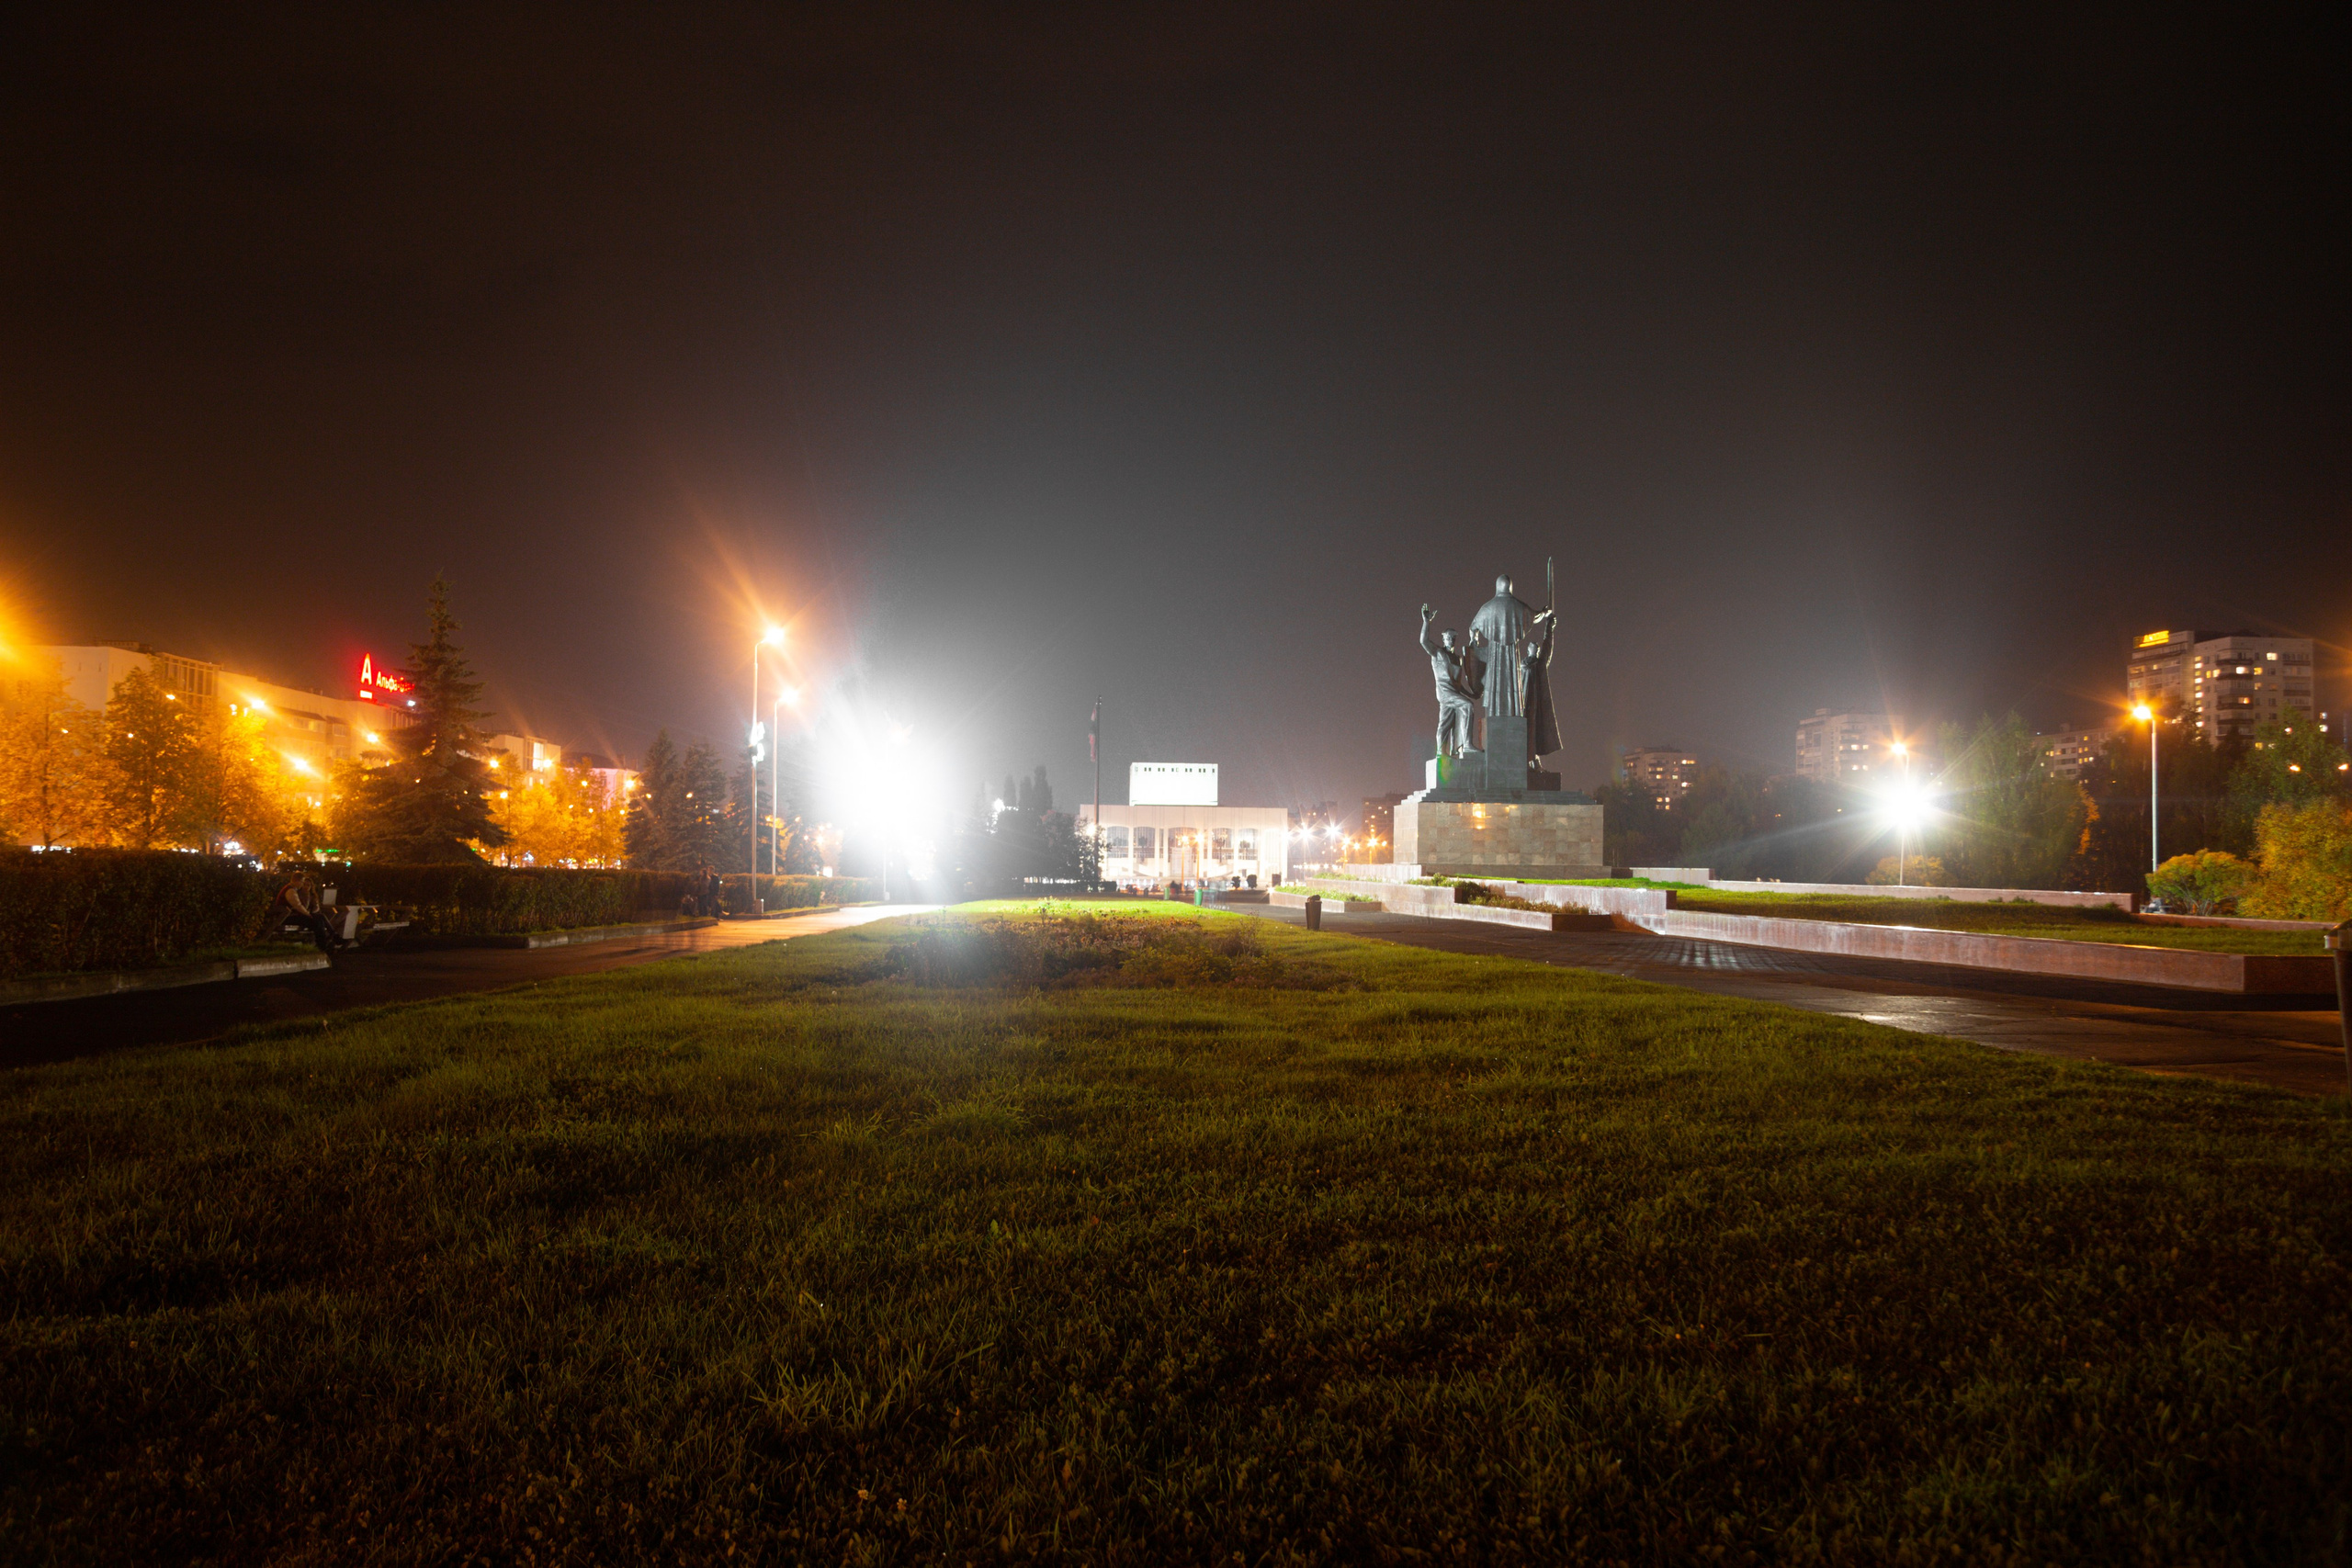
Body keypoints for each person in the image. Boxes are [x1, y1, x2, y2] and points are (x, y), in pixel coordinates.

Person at [1419, 604, 1482, 758]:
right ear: (1443, 639)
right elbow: (1423, 641)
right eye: (1448, 638)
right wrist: (1426, 622)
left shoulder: (1458, 658)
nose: (1450, 640)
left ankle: (1442, 752)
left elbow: (1458, 684)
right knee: (1467, 706)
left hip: (1454, 692)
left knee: (1446, 723)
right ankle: (1467, 745)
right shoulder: (1438, 653)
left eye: (1453, 638)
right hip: (1444, 692)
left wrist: (1471, 694)